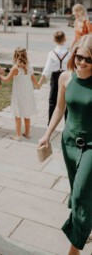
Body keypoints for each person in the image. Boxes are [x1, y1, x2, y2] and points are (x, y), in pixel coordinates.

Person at [38, 34, 92, 255]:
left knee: (79, 195)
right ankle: (85, 224)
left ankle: (74, 249)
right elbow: (60, 109)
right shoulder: (65, 78)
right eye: (79, 56)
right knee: (79, 192)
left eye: (88, 59)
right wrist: (47, 134)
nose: (81, 62)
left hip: (91, 146)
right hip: (68, 143)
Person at [0, 47, 39, 141]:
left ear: (15, 56)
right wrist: (38, 85)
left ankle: (18, 135)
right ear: (26, 56)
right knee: (26, 114)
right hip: (27, 93)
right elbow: (33, 79)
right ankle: (27, 133)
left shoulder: (15, 68)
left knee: (18, 115)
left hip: (18, 94)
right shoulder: (29, 67)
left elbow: (6, 79)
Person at [38, 31, 71, 124]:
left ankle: (51, 122)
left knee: (52, 100)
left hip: (55, 76)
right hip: (66, 76)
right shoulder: (69, 52)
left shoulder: (52, 53)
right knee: (67, 100)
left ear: (54, 40)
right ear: (65, 39)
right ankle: (67, 122)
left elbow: (47, 69)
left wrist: (40, 82)